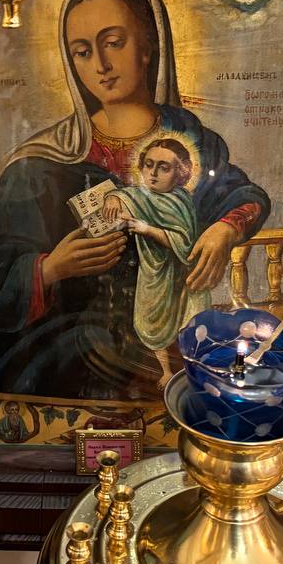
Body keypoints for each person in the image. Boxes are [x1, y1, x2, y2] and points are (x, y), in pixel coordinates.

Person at [0, 0, 270, 400]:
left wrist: (225, 227)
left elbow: (242, 195)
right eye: (82, 52)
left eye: (114, 42)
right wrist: (49, 269)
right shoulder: (41, 163)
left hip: (173, 328)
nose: (100, 65)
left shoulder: (192, 140)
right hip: (74, 349)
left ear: (148, 45)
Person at [100, 138, 210, 387]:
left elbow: (184, 243)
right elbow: (125, 195)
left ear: (180, 173)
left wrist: (145, 228)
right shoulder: (141, 196)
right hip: (152, 272)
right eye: (148, 165)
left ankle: (189, 369)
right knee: (150, 320)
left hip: (178, 274)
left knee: (184, 321)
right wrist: (113, 198)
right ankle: (165, 370)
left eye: (163, 167)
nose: (153, 173)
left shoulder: (181, 201)